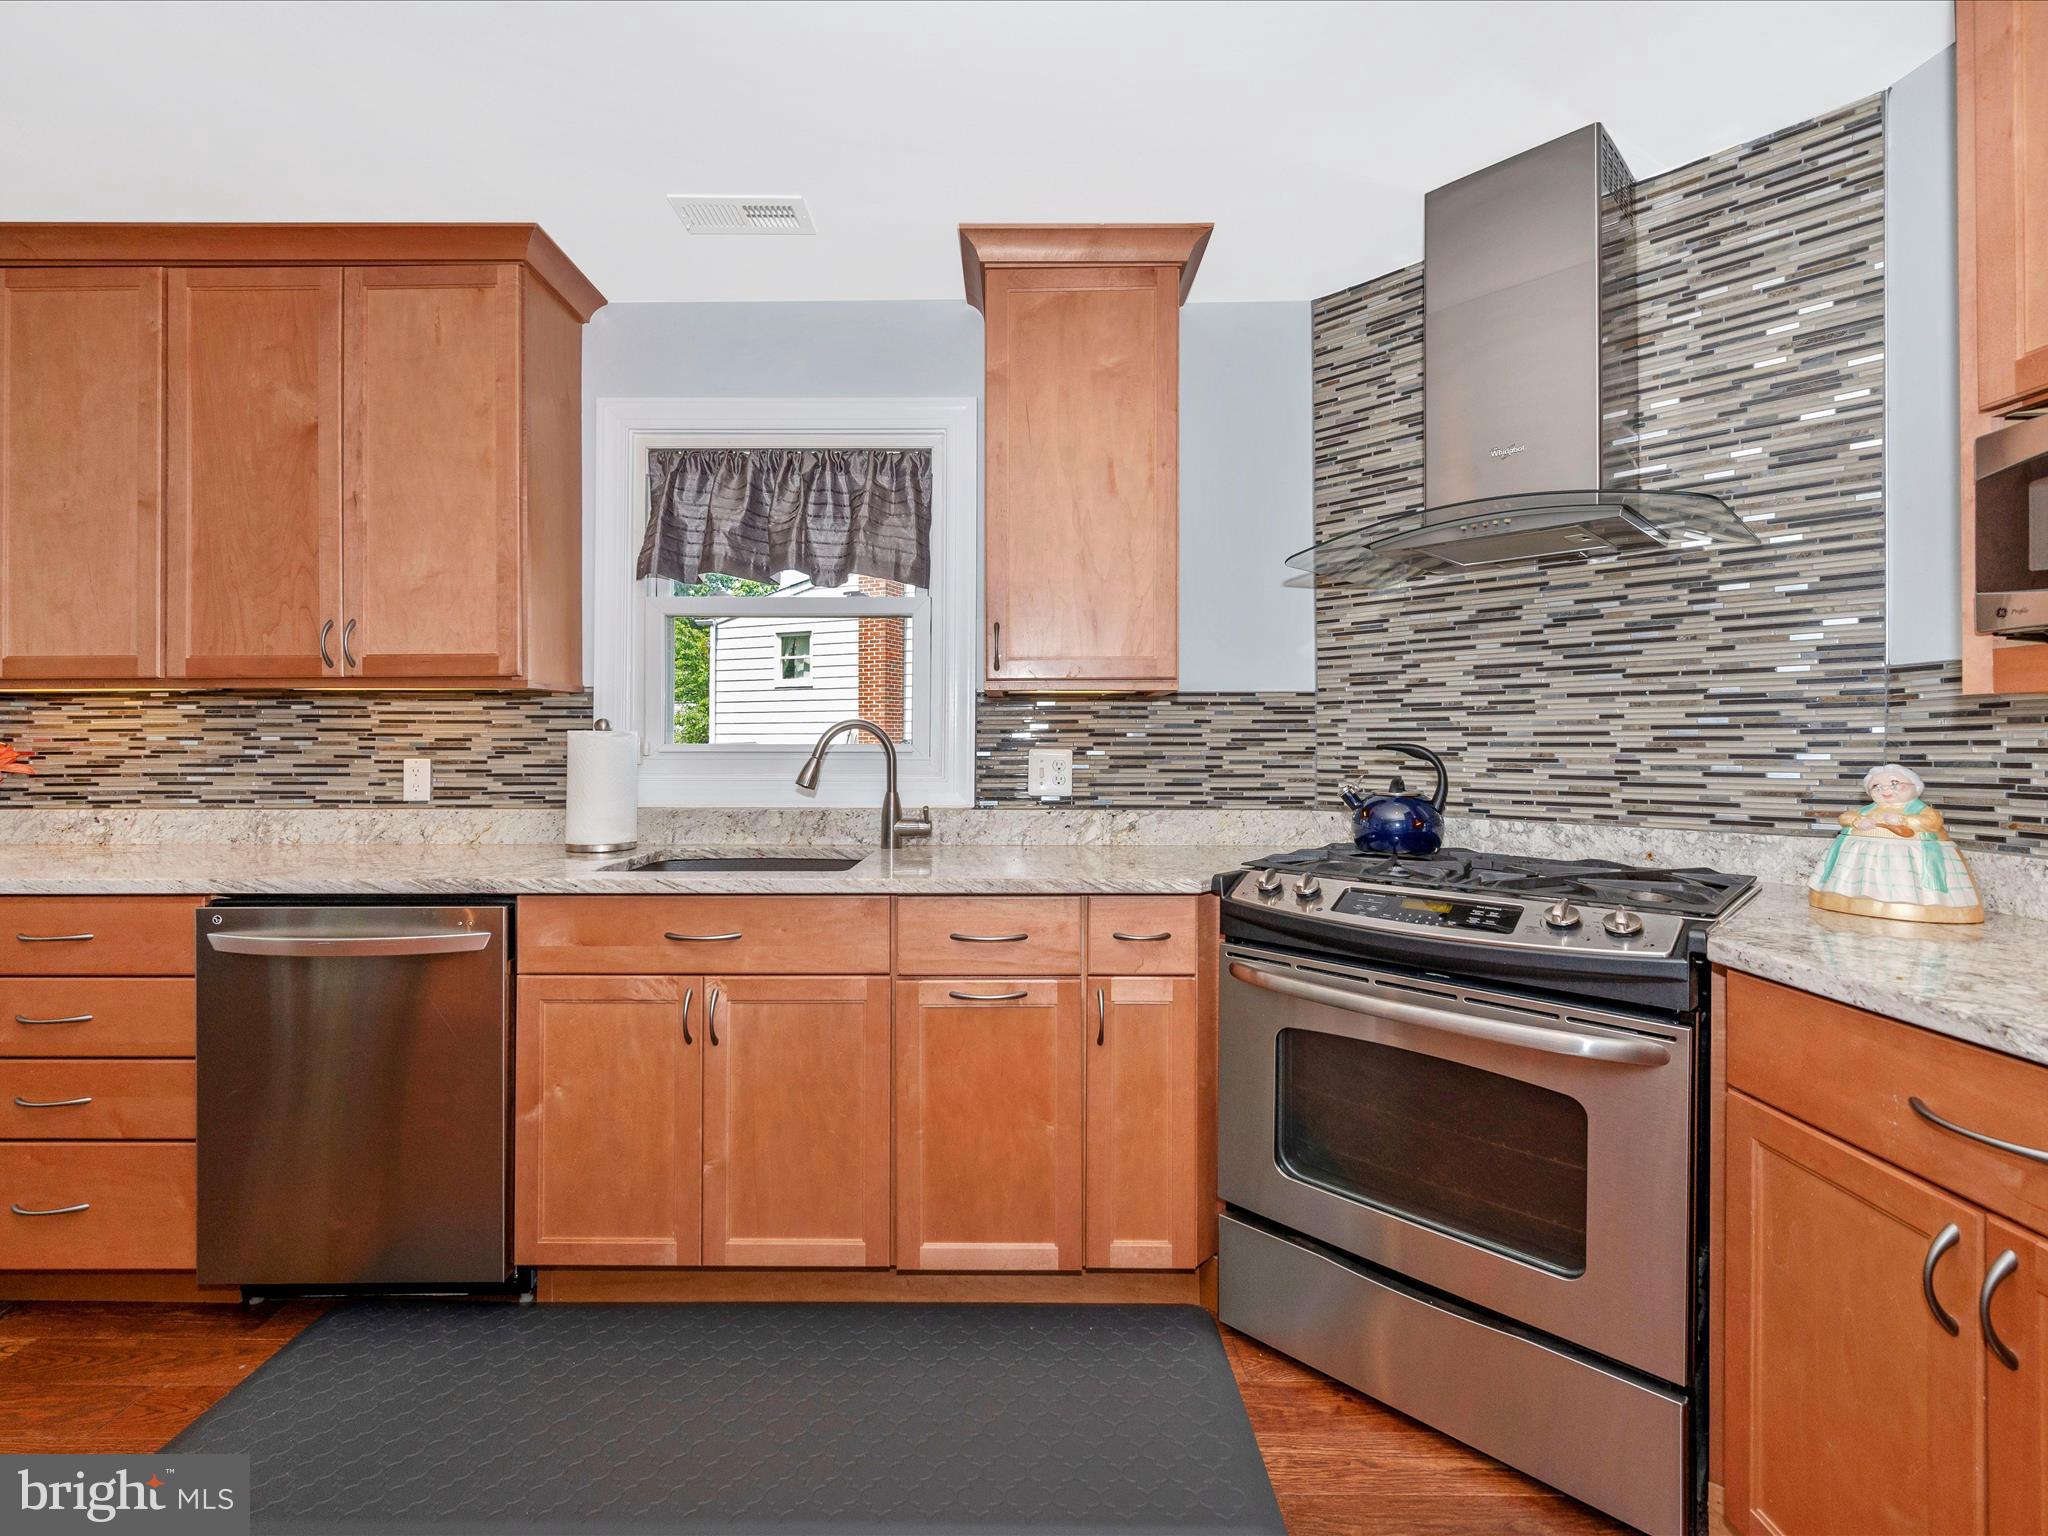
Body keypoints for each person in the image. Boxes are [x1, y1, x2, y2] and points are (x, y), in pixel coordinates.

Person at [1808, 764, 1983, 924]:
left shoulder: (1921, 810)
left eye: (1894, 784)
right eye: (1876, 787)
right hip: (1863, 859)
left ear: (1915, 787)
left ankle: (1916, 903)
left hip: (1907, 858)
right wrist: (1857, 822)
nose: (1885, 790)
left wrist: (1903, 819)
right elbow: (1845, 817)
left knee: (1902, 880)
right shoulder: (1869, 810)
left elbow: (1932, 822)